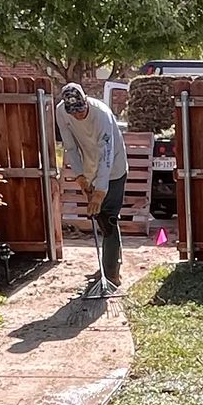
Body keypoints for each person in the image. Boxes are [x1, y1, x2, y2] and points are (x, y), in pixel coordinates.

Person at [57, 80, 125, 297]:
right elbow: (69, 146)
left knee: (109, 218)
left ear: (86, 101)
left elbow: (106, 153)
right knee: (99, 217)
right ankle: (110, 263)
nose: (77, 116)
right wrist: (80, 176)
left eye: (81, 110)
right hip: (89, 169)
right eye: (73, 112)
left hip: (113, 168)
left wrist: (100, 191)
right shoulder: (62, 112)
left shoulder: (101, 114)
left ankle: (112, 274)